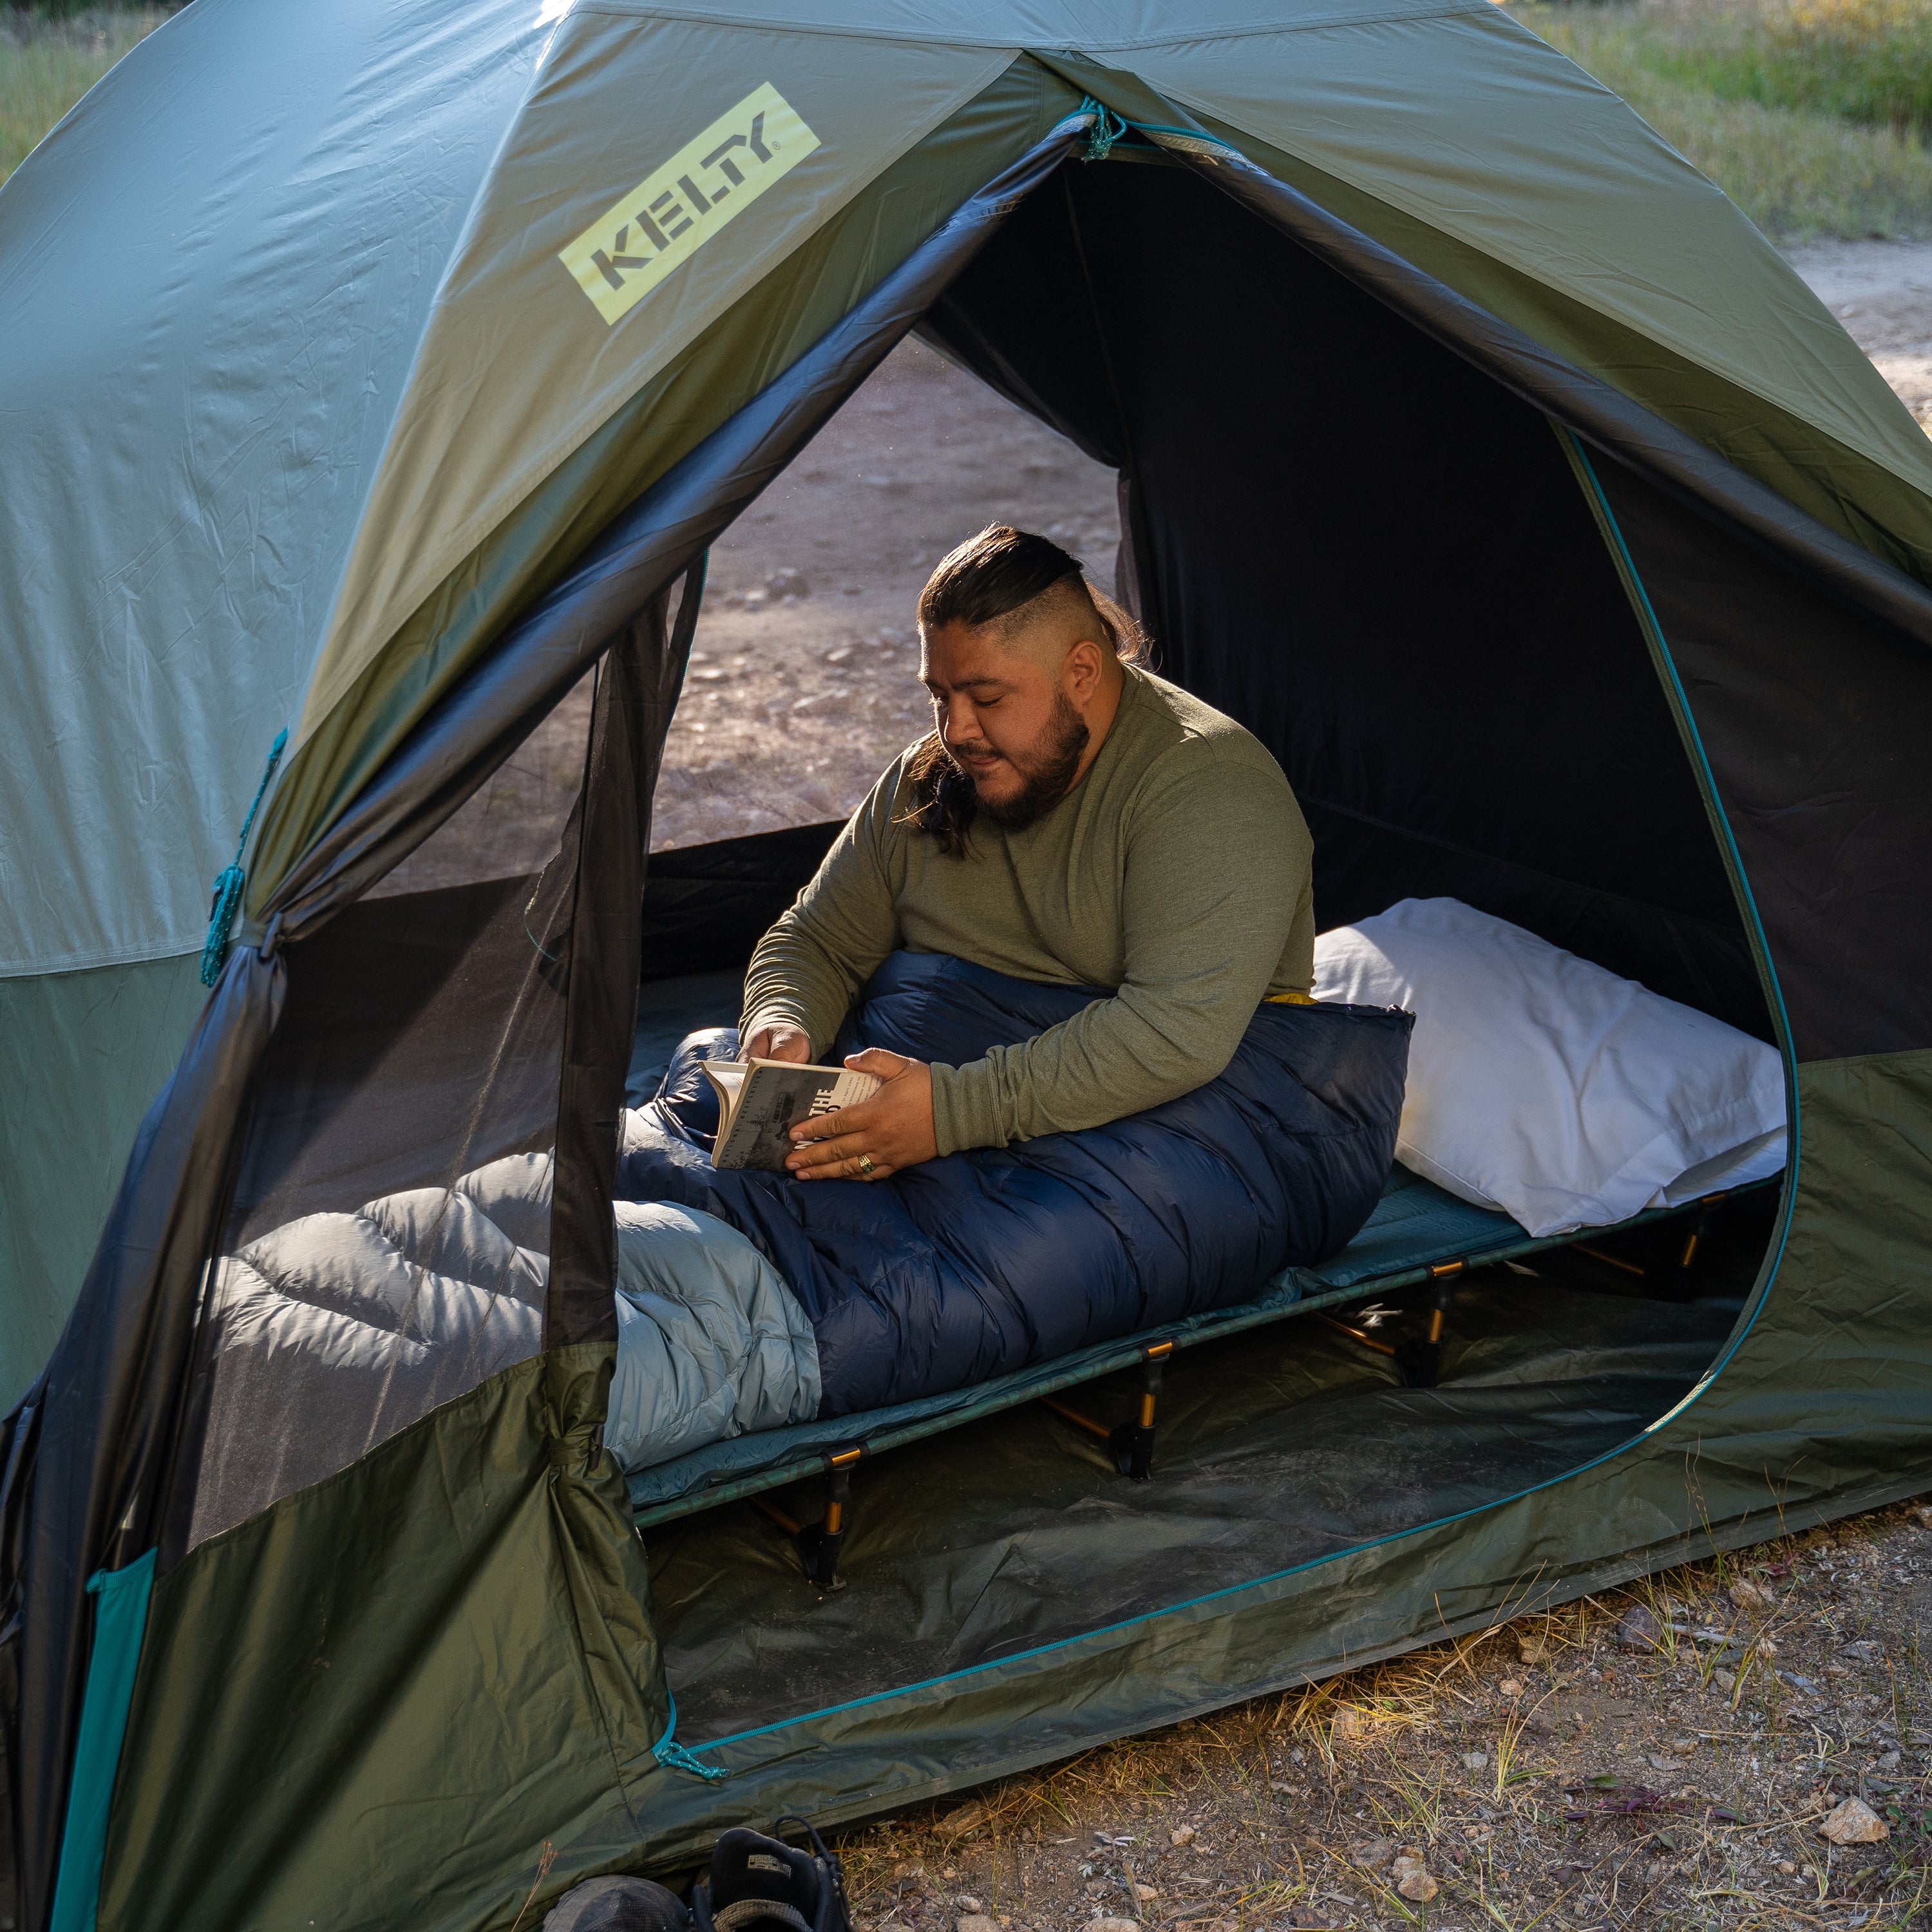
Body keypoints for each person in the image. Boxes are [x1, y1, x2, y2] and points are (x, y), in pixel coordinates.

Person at [739, 523, 1316, 1182]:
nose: (956, 731)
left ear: (1081, 673)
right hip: (944, 1091)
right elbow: (819, 941)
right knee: (688, 1112)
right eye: (939, 696)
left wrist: (948, 1114)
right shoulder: (930, 779)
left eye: (987, 698)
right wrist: (784, 1021)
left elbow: (1173, 1034)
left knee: (910, 1272)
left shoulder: (1208, 786)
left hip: (1172, 1139)